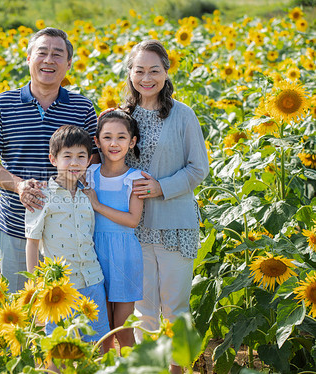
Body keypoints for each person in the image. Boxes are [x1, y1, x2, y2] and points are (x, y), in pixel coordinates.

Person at [0, 27, 99, 293]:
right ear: (29, 58)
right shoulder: (2, 105)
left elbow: (96, 162)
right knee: (22, 304)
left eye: (58, 54)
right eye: (42, 52)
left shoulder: (83, 108)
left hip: (70, 230)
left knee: (69, 311)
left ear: (68, 64)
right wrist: (18, 185)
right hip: (17, 223)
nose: (49, 60)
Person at [122, 39, 209, 374]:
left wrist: (161, 187)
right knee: (143, 309)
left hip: (175, 225)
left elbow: (198, 168)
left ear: (166, 72)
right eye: (139, 70)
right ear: (129, 73)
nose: (147, 77)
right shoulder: (121, 116)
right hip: (135, 227)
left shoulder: (183, 114)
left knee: (175, 308)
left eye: (154, 70)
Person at [25, 125, 109, 343]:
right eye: (67, 156)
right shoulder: (41, 195)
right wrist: (36, 283)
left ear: (89, 159)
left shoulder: (88, 194)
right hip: (60, 286)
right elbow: (32, 242)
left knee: (96, 341)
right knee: (57, 343)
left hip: (92, 279)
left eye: (81, 156)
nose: (74, 162)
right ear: (53, 159)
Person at [82, 108, 144, 350]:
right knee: (102, 326)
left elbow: (132, 220)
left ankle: (132, 367)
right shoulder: (89, 174)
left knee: (123, 326)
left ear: (132, 142)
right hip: (93, 253)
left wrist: (96, 204)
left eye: (121, 137)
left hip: (125, 255)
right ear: (96, 142)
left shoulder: (136, 178)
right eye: (107, 137)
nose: (114, 143)